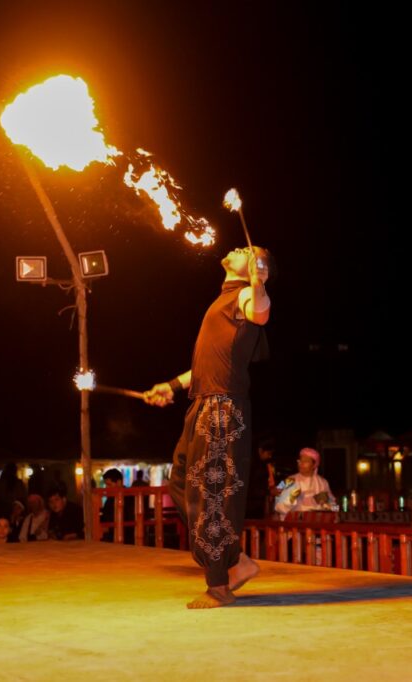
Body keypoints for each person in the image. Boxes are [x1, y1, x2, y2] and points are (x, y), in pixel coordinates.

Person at [143, 245, 273, 608]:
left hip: (222, 408)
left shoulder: (247, 294)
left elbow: (261, 313)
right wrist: (171, 386)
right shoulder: (223, 300)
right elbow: (208, 364)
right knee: (182, 483)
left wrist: (259, 281)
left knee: (212, 492)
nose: (238, 249)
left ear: (256, 269)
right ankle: (236, 561)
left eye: (249, 251)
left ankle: (219, 584)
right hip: (202, 402)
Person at [274, 448, 338, 519]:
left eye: (306, 461)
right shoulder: (289, 480)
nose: (301, 464)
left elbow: (334, 507)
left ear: (314, 465)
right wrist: (291, 498)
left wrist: (327, 505)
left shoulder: (322, 482)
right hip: (294, 523)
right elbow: (278, 506)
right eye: (300, 461)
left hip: (316, 523)